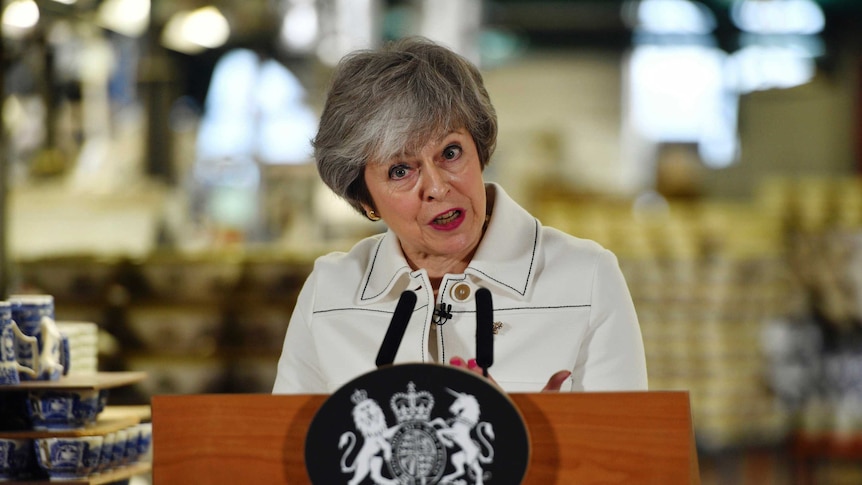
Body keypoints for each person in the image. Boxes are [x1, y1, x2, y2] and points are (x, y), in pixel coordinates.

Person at [272, 37, 647, 394]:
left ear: (480, 150)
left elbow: (628, 455)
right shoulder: (329, 290)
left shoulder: (587, 278)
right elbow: (284, 454)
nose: (436, 186)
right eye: (400, 171)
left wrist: (534, 437)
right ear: (363, 197)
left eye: (450, 153)